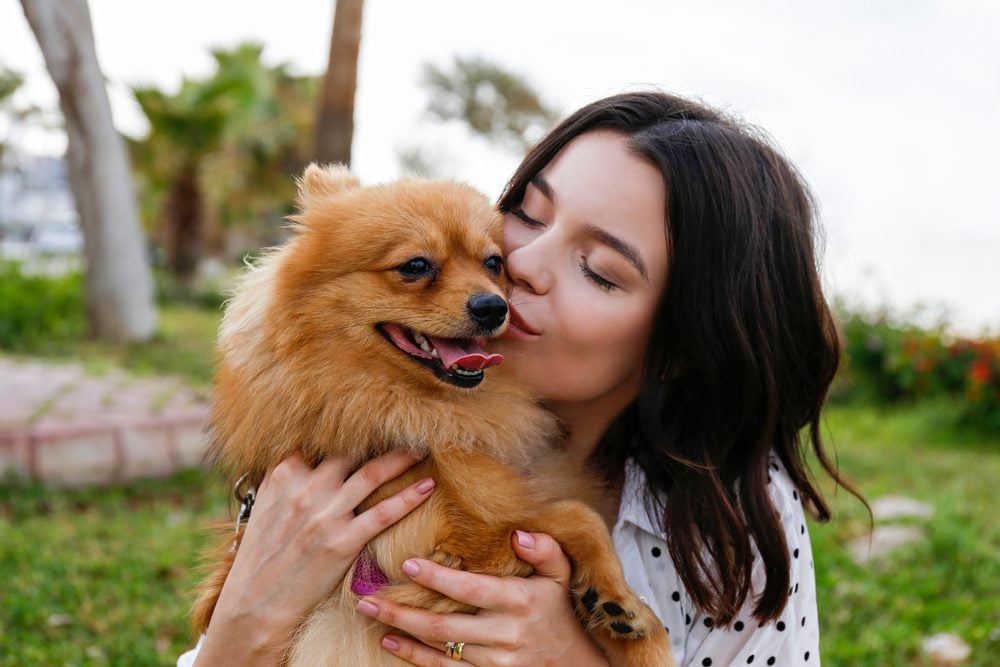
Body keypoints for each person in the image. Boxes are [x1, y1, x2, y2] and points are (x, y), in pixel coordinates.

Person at [180, 91, 860, 666]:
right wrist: (241, 629)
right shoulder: (339, 449)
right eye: (528, 215)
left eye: (599, 268)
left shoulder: (732, 517)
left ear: (682, 344)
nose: (521, 264)